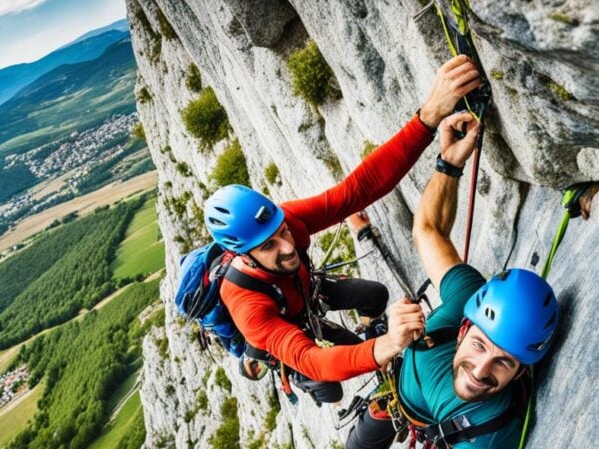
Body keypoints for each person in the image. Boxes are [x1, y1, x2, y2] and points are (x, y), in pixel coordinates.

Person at [330, 108, 560, 449]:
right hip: (395, 399)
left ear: (521, 371)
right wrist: (449, 163)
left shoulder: (488, 437)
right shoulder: (462, 299)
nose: (481, 369)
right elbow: (428, 231)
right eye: (479, 346)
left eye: (503, 362)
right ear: (463, 327)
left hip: (446, 433)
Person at [203, 55, 483, 404]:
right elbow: (312, 360)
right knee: (330, 388)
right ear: (243, 254)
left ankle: (367, 336)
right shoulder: (248, 305)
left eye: (282, 233)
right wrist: (388, 345)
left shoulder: (284, 221)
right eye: (268, 247)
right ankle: (265, 363)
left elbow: (358, 190)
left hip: (306, 290)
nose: (286, 246)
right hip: (285, 323)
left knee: (375, 296)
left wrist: (428, 116)